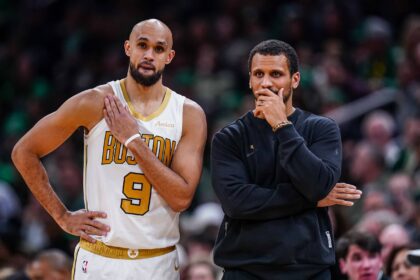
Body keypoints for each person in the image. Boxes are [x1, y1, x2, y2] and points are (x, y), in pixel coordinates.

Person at [12, 19, 207, 280]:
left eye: (159, 49)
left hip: (156, 261)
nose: (149, 55)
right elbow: (23, 151)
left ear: (169, 57)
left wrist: (133, 140)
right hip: (99, 258)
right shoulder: (94, 102)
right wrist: (61, 216)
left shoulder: (188, 114)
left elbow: (181, 198)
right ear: (128, 48)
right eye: (142, 45)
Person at [211, 39, 362, 279]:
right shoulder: (228, 138)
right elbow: (237, 204)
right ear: (249, 79)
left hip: (310, 269)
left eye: (276, 74)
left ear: (295, 79)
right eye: (258, 74)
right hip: (245, 269)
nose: (266, 83)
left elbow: (319, 185)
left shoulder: (322, 128)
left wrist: (282, 126)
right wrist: (310, 201)